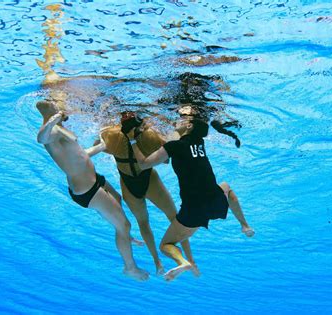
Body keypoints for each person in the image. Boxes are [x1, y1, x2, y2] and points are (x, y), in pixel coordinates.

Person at [130, 110, 254, 281]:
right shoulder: (199, 143)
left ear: (189, 125)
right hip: (214, 201)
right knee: (226, 187)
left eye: (181, 120)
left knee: (165, 245)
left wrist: (133, 141)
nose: (177, 121)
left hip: (193, 210)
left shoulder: (175, 146)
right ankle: (245, 225)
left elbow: (144, 165)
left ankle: (182, 262)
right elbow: (177, 141)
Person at [36, 100, 149, 281]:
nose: (60, 106)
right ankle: (130, 267)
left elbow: (79, 155)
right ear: (50, 110)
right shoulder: (52, 131)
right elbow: (40, 138)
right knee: (124, 225)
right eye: (55, 105)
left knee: (117, 198)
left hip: (94, 180)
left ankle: (126, 236)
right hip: (87, 190)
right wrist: (52, 119)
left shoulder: (59, 129)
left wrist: (101, 146)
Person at [96, 112, 196, 275]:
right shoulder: (149, 135)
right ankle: (189, 259)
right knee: (174, 216)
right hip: (149, 179)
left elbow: (99, 145)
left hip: (128, 183)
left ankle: (157, 263)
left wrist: (117, 147)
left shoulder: (112, 135)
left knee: (144, 222)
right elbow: (165, 159)